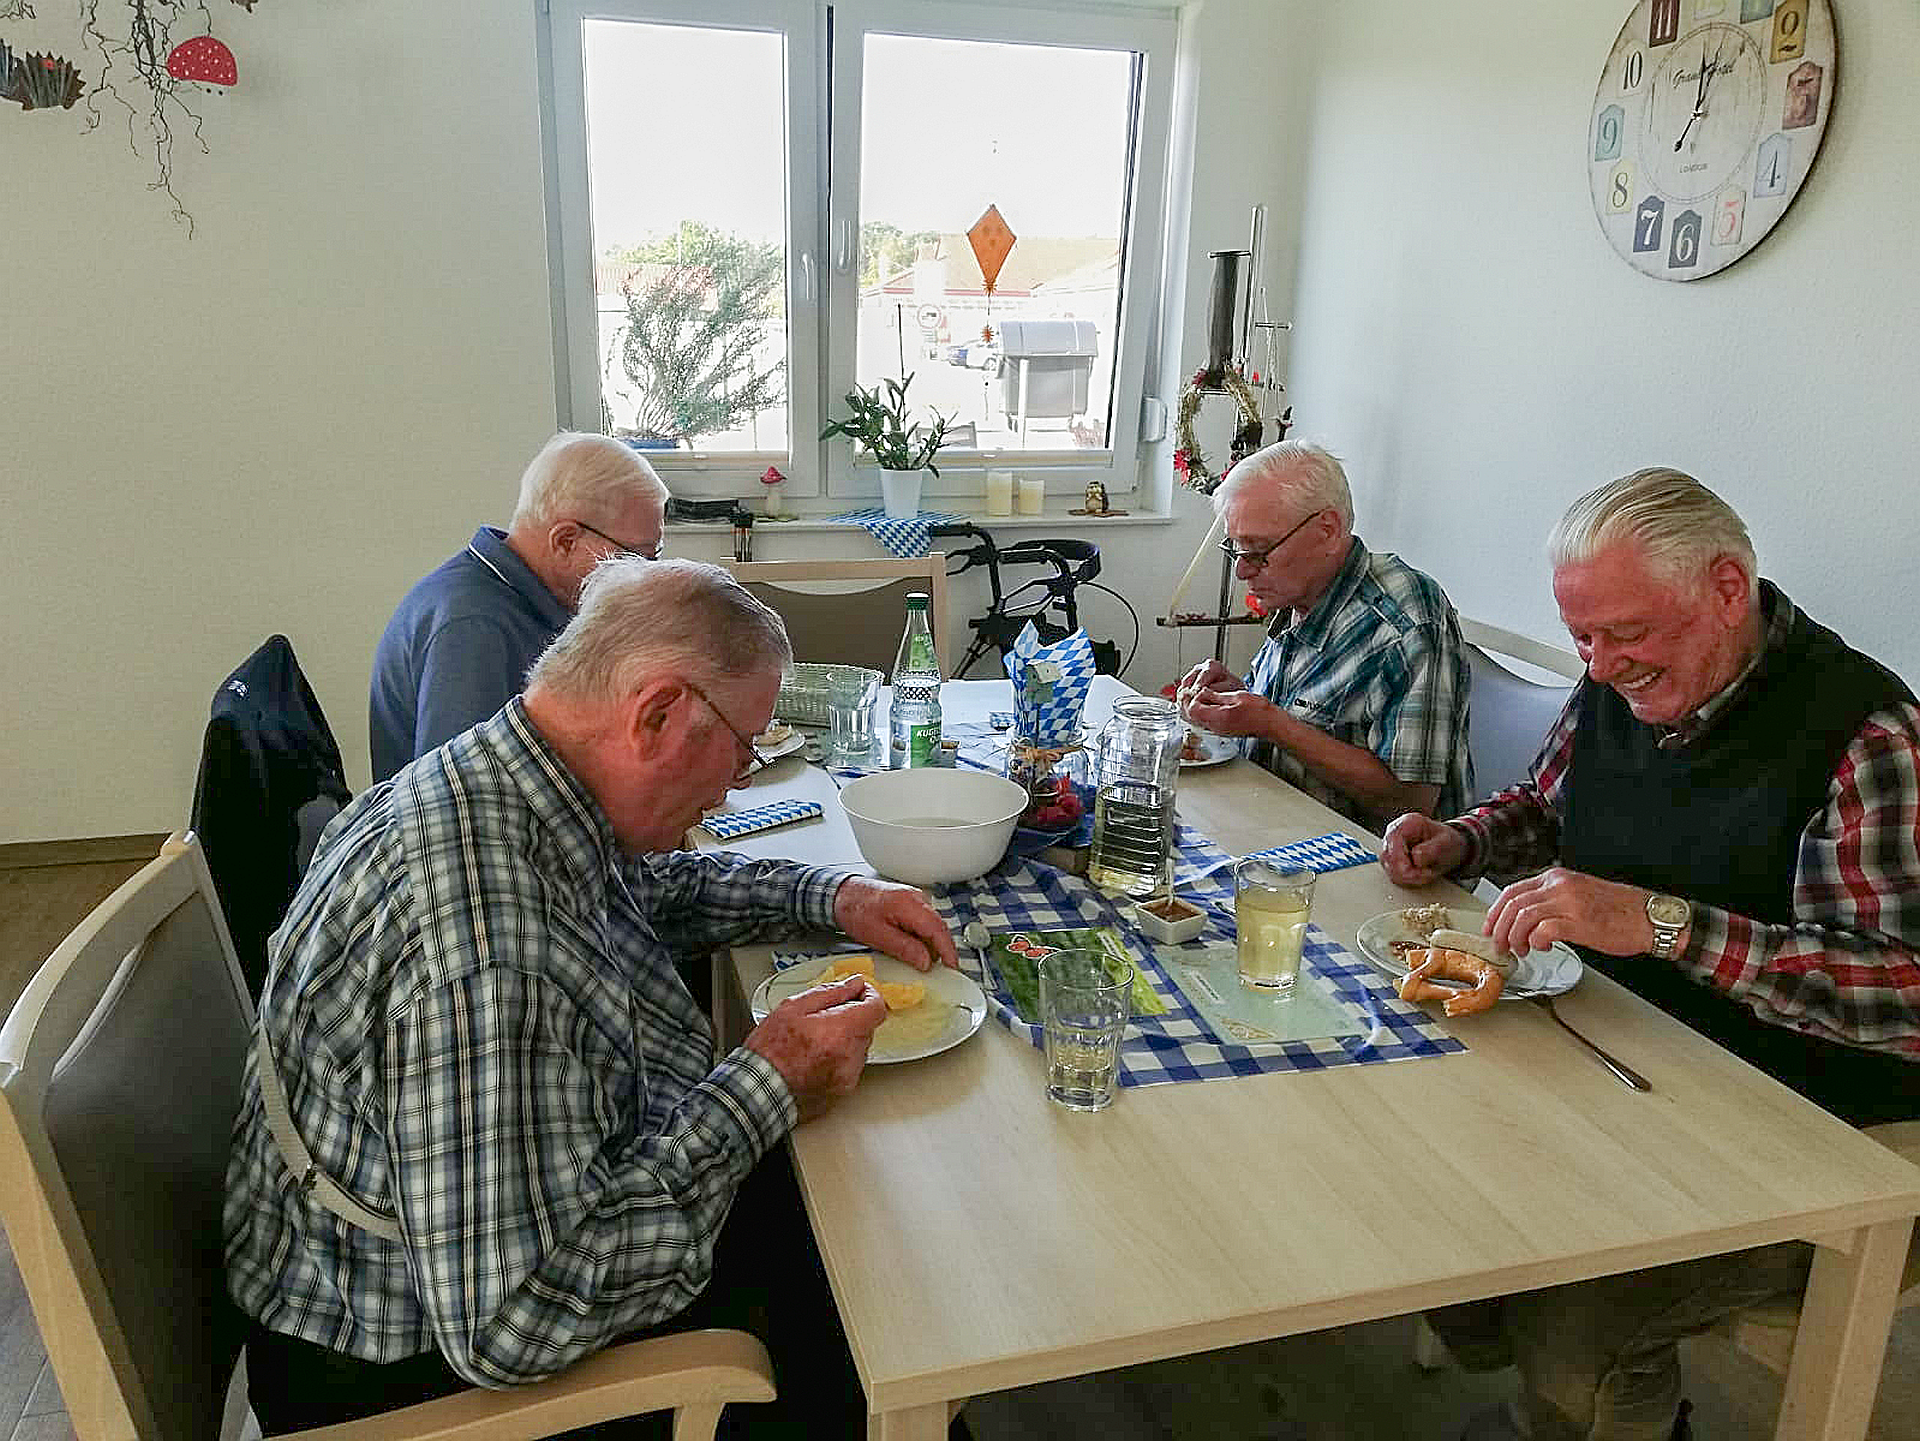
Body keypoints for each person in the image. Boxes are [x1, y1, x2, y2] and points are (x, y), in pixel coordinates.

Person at [229, 557, 959, 1437]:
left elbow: (645, 894)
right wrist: (766, 1082)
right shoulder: (487, 943)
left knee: (849, 1224)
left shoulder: (511, 783)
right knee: (867, 1296)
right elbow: (515, 1320)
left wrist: (834, 896)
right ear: (657, 713)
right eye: (741, 748)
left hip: (447, 1251)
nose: (733, 783)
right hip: (406, 1369)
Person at [1381, 467, 1920, 1441]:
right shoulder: (1613, 686)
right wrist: (1461, 840)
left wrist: (1667, 925)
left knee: (1578, 1313)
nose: (1597, 665)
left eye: (1622, 633)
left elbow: (1903, 994)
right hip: (1628, 1054)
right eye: (1580, 635)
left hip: (1817, 1119)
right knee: (1430, 1191)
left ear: (1725, 587)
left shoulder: (1866, 735)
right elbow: (1545, 807)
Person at [1176, 440, 1472, 828]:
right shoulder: (1301, 592)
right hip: (1277, 819)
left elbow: (1409, 802)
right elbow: (1297, 713)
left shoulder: (1406, 621)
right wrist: (1234, 697)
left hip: (1373, 860)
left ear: (1327, 530)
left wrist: (1270, 723)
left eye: (1259, 551)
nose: (1243, 572)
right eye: (1237, 551)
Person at [368, 431, 669, 782]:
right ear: (566, 540)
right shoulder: (472, 628)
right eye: (632, 557)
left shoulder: (543, 599)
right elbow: (466, 800)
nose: (642, 577)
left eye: (655, 557)